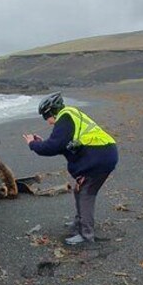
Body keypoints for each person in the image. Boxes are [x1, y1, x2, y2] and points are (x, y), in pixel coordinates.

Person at [23, 92, 118, 245]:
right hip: (104, 154)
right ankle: (79, 224)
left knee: (86, 193)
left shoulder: (65, 117)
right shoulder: (70, 114)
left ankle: (86, 235)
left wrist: (32, 144)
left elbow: (53, 147)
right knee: (80, 190)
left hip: (100, 157)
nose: (48, 122)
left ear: (51, 111)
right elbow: (63, 145)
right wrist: (42, 143)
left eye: (46, 117)